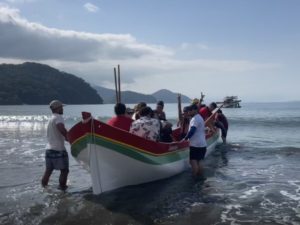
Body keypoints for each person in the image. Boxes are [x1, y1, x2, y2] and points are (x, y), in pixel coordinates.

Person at [41, 100, 69, 190]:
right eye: (61, 107)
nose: (62, 109)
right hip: (58, 149)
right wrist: (70, 138)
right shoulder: (58, 117)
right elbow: (61, 129)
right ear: (57, 108)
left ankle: (43, 187)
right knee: (64, 170)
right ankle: (62, 189)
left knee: (48, 171)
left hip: (49, 149)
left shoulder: (51, 118)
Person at [183, 104, 207, 179]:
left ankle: (194, 177)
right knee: (200, 161)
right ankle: (201, 176)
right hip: (203, 144)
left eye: (190, 110)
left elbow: (192, 130)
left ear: (195, 110)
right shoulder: (200, 118)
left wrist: (185, 138)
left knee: (193, 161)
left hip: (195, 144)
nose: (189, 112)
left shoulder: (195, 119)